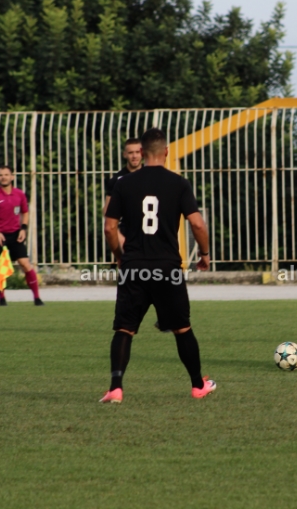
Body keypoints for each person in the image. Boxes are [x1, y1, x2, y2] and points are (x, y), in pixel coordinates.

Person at [100, 128, 216, 404]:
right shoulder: (178, 183)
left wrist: (119, 255)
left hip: (134, 267)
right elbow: (198, 224)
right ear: (166, 152)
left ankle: (116, 388)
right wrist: (204, 254)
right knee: (182, 328)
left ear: (141, 152)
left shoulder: (123, 183)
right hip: (167, 268)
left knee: (124, 329)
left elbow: (109, 227)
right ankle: (198, 385)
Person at [0, 166, 43, 306]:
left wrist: (23, 229)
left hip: (15, 234)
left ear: (12, 177)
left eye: (6, 175)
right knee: (1, 268)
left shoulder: (19, 194)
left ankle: (37, 298)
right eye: (0, 175)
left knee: (25, 264)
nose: (3, 177)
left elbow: (25, 212)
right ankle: (2, 299)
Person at [103, 138, 144, 249]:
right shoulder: (116, 180)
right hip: (126, 235)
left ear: (142, 153)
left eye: (137, 152)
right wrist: (118, 235)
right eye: (131, 153)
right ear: (124, 154)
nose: (134, 156)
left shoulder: (150, 176)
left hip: (149, 233)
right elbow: (107, 211)